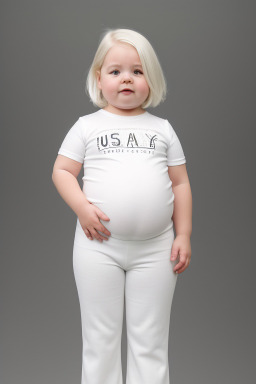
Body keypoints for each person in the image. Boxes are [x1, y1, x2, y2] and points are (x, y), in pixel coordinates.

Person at [52, 28, 192, 384]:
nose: (126, 78)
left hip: (157, 249)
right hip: (98, 247)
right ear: (99, 79)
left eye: (137, 71)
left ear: (151, 79)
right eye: (115, 71)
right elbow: (62, 171)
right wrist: (82, 208)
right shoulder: (87, 127)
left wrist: (184, 233)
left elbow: (180, 182)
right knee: (100, 340)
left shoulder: (163, 129)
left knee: (151, 342)